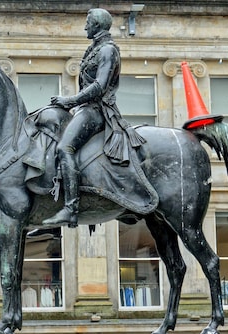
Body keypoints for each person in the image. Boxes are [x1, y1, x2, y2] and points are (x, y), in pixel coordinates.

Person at [43, 8, 144, 228]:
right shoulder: (94, 49)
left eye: (88, 22)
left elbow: (99, 86)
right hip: (84, 110)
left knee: (64, 149)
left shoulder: (107, 50)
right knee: (50, 143)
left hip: (97, 111)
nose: (85, 26)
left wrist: (69, 101)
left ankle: (71, 209)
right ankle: (51, 211)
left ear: (97, 24)